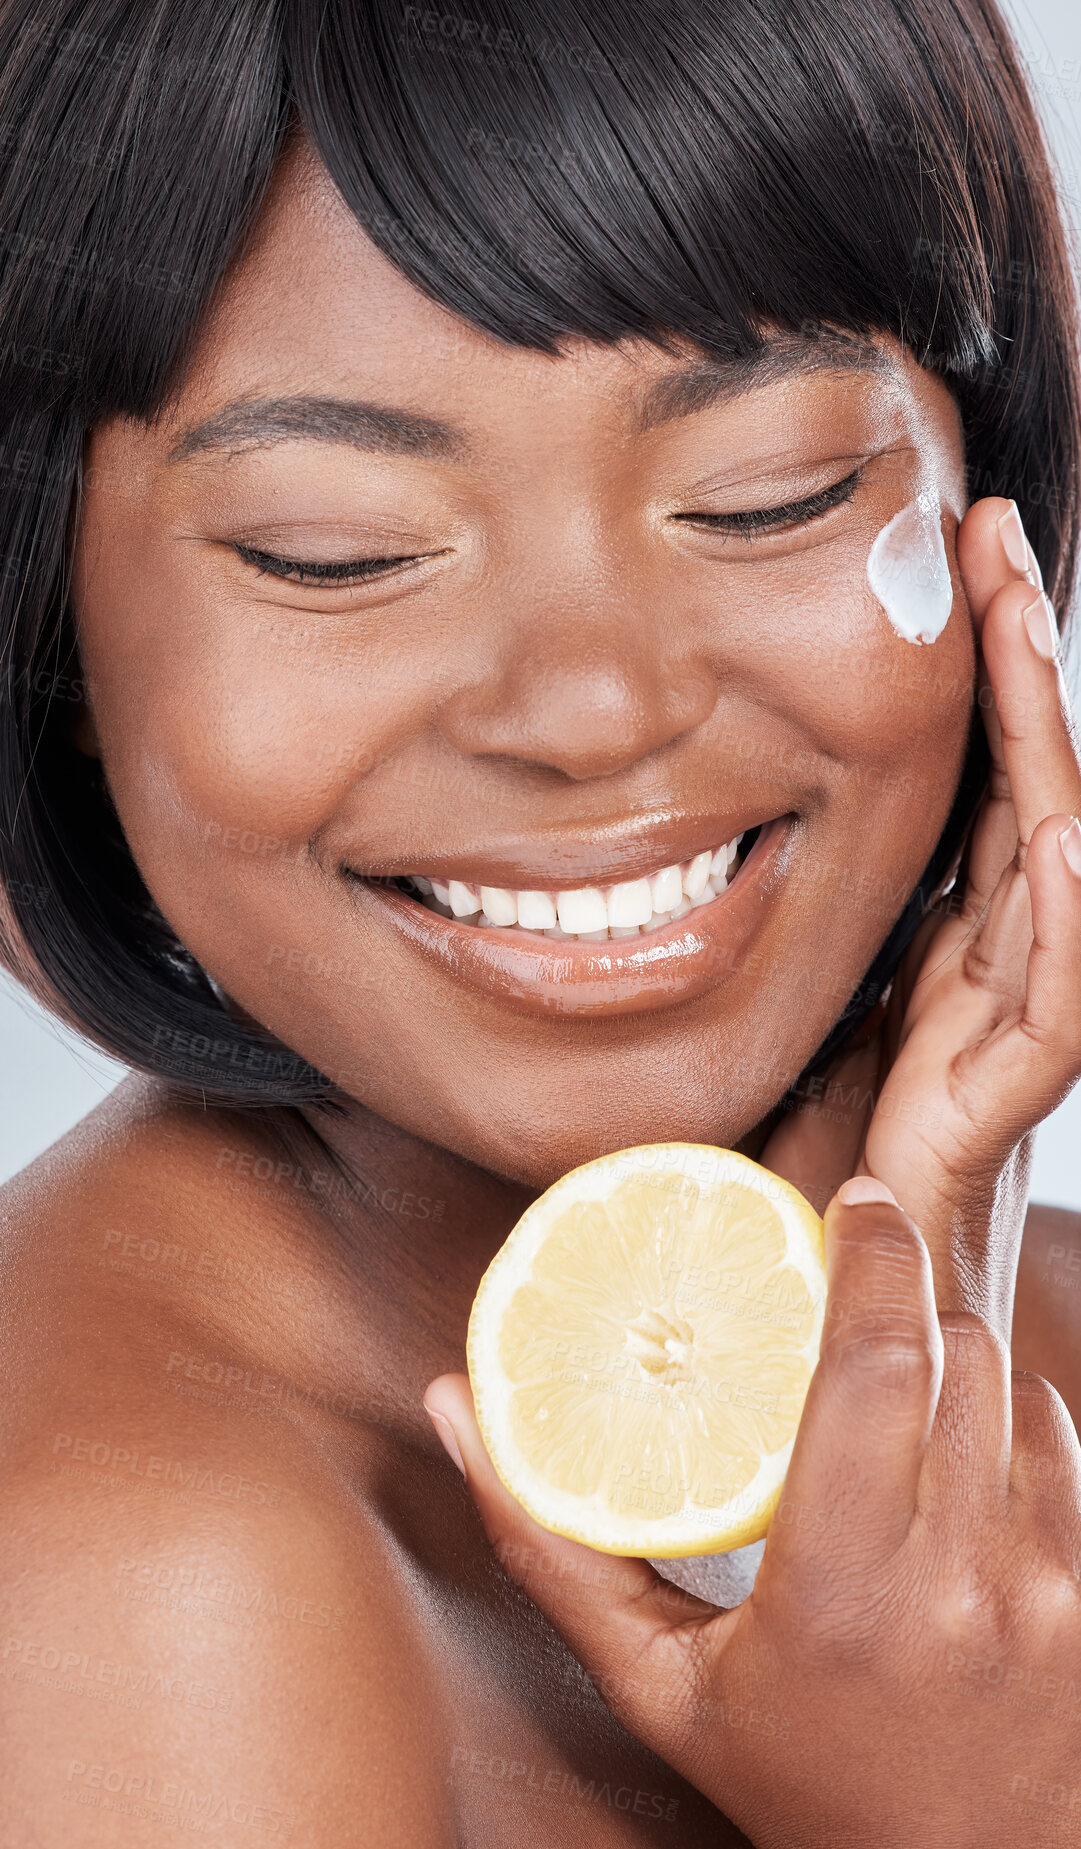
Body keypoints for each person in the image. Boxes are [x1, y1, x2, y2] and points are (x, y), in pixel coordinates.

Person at [1, 0, 1080, 1840]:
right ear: (55, 627)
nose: (592, 707)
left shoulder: (1029, 1346)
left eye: (772, 496)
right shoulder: (135, 1589)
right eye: (336, 552)